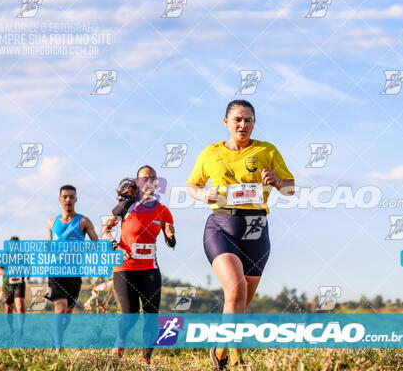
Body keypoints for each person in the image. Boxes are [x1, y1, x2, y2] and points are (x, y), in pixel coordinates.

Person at [186, 100, 295, 369]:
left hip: (257, 229)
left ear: (254, 123)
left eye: (248, 120)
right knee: (235, 290)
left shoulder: (266, 151)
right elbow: (192, 185)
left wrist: (278, 182)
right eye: (237, 119)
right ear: (226, 122)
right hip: (222, 227)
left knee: (241, 301)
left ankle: (223, 352)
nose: (243, 125)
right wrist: (204, 194)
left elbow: (290, 188)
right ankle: (230, 356)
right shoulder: (210, 153)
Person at [101, 166, 175, 365]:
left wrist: (170, 235)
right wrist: (115, 247)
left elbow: (171, 242)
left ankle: (146, 360)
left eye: (152, 178)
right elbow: (104, 230)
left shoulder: (163, 210)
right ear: (138, 182)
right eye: (144, 179)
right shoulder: (126, 206)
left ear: (157, 183)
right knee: (131, 314)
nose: (148, 182)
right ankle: (120, 342)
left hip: (150, 269)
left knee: (151, 315)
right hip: (125, 268)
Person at [47, 184, 98, 353]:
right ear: (60, 199)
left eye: (71, 197)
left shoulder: (84, 221)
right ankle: (58, 350)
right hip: (56, 271)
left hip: (74, 273)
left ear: (76, 199)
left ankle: (57, 338)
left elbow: (95, 244)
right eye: (65, 197)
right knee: (60, 308)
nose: (68, 200)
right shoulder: (51, 222)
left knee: (67, 313)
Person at [0, 236, 27, 334]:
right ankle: (11, 329)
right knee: (8, 309)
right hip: (7, 285)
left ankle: (20, 329)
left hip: (19, 284)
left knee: (20, 306)